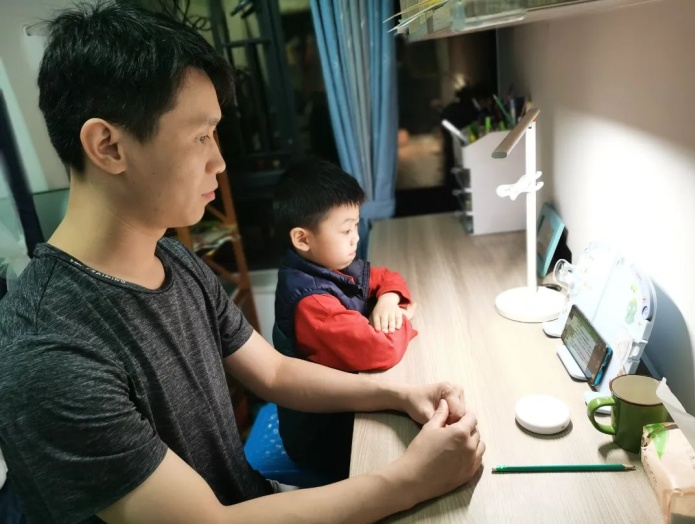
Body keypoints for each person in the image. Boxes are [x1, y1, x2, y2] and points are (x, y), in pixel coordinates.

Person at [0, 3, 485, 523]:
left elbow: (273, 371)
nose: (220, 160)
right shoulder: (47, 353)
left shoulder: (171, 258)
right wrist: (410, 480)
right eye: (200, 136)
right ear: (108, 146)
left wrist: (398, 393)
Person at [272, 159, 419, 480]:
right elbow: (381, 350)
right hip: (324, 435)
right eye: (346, 230)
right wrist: (404, 317)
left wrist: (389, 300)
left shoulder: (328, 265)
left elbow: (386, 276)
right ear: (303, 239)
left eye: (356, 226)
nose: (356, 238)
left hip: (342, 407)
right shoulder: (313, 302)